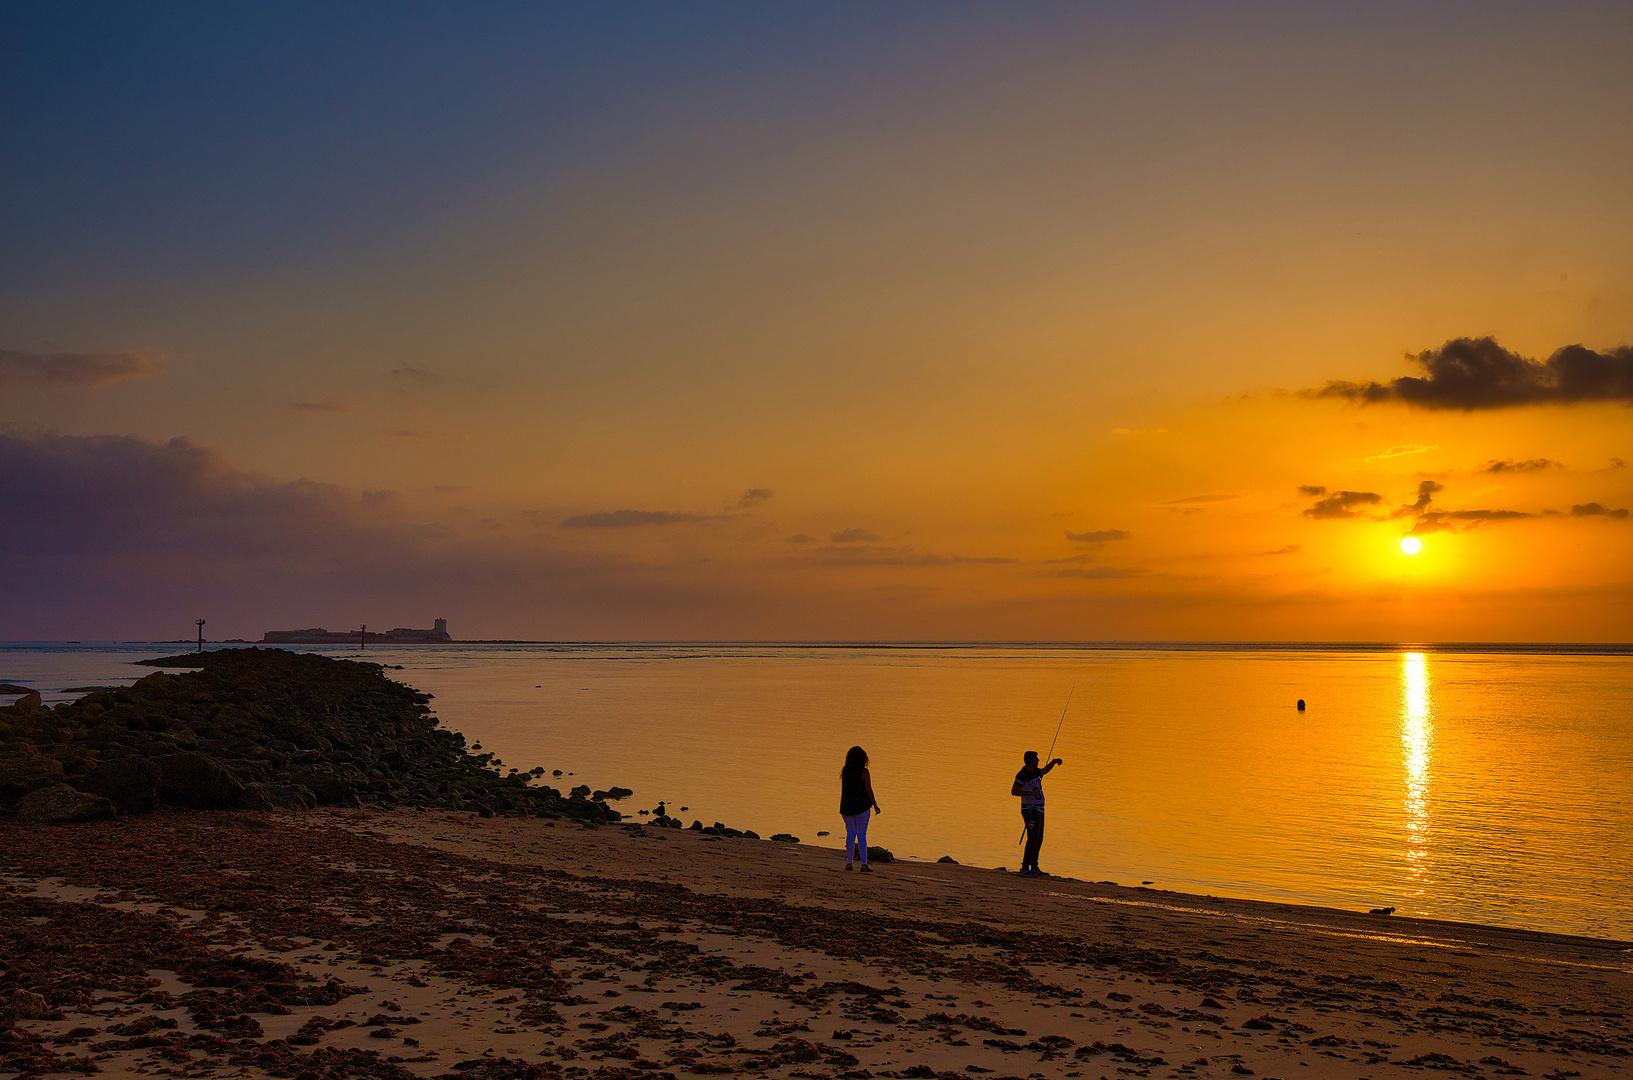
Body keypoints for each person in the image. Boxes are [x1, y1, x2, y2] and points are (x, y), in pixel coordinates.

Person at [1012, 749, 1061, 877]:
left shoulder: (1035, 771)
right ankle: (1024, 867)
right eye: (1036, 759)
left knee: (1039, 838)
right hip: (1030, 810)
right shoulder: (1022, 775)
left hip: (1039, 809)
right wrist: (1030, 793)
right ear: (1031, 761)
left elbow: (1044, 771)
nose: (1038, 761)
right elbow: (1014, 791)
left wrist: (1053, 762)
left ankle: (1034, 866)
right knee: (1032, 838)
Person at [839, 745, 881, 872]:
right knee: (862, 834)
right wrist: (875, 804)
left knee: (850, 833)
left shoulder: (845, 771)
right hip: (862, 807)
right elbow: (868, 789)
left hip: (847, 807)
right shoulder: (864, 772)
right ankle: (863, 864)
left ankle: (849, 862)